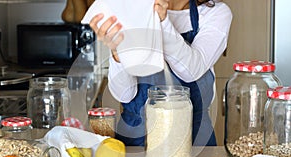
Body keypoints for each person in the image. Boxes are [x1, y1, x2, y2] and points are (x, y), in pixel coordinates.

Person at [89, 0, 232, 146]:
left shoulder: (216, 13)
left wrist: (163, 23)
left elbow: (191, 71)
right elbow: (124, 95)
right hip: (136, 139)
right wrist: (117, 54)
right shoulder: (133, 13)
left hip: (193, 139)